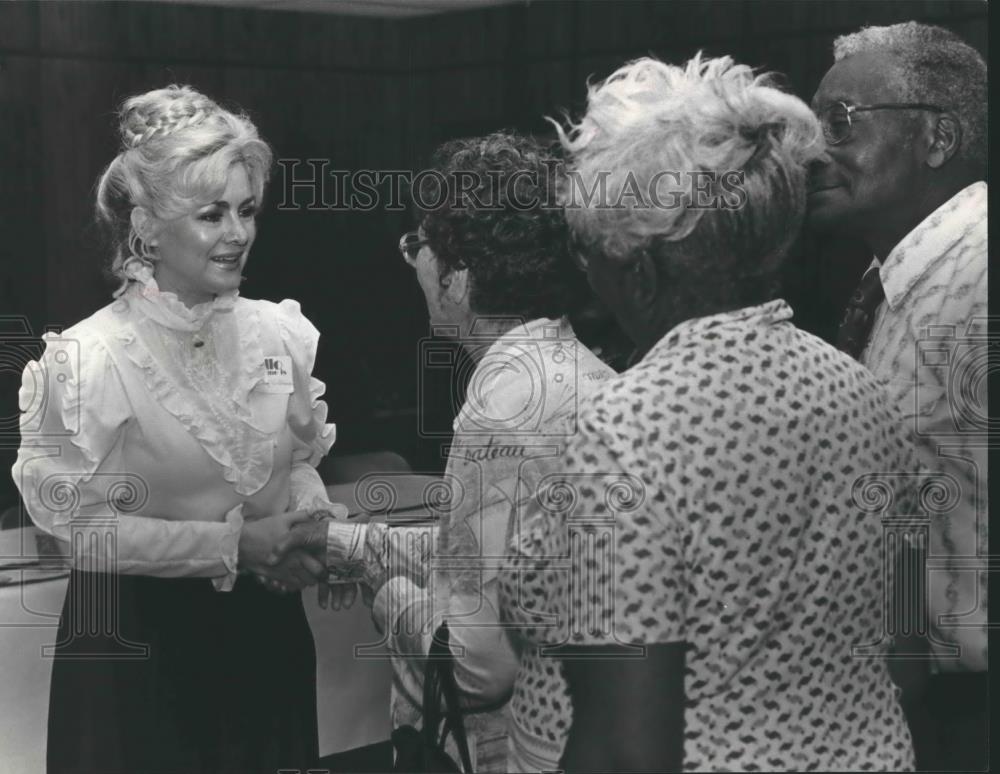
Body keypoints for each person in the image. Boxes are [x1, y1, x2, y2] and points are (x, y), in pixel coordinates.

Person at [497, 54, 919, 771]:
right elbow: (905, 648)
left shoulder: (629, 427)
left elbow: (627, 748)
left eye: (589, 250)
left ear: (639, 268)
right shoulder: (863, 392)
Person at [13, 85, 340, 773]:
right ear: (147, 227)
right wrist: (231, 547)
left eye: (247, 210)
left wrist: (304, 523)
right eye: (211, 214)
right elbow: (78, 530)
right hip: (141, 657)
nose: (238, 233)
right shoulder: (88, 359)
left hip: (266, 640)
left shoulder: (279, 334)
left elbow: (299, 461)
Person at [275, 132, 615, 772]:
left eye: (419, 245)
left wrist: (386, 596)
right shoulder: (590, 377)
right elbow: (489, 557)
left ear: (460, 277)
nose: (413, 264)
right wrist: (348, 546)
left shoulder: (504, 410)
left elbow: (474, 665)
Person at [807, 22, 987, 771]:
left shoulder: (979, 275)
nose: (813, 150)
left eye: (840, 122)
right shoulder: (899, 282)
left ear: (937, 137)